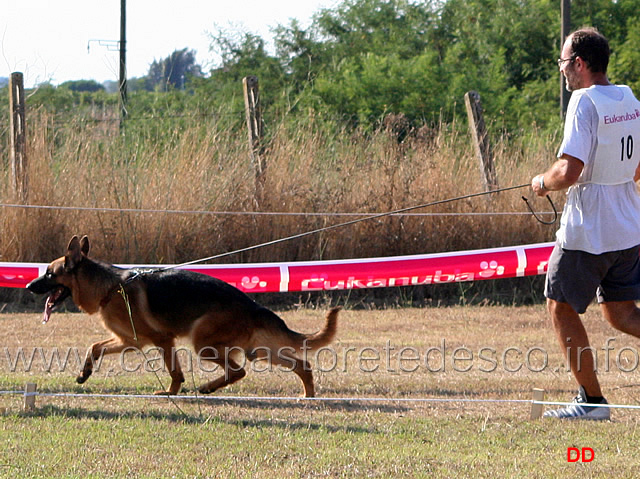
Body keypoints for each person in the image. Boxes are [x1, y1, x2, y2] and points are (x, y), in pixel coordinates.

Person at [532, 27, 640, 420]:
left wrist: (542, 183)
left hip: (588, 232)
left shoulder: (583, 101)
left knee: (559, 307)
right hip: (629, 228)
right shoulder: (630, 100)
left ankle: (592, 402)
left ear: (579, 63)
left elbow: (569, 169)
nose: (562, 69)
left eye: (563, 62)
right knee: (622, 313)